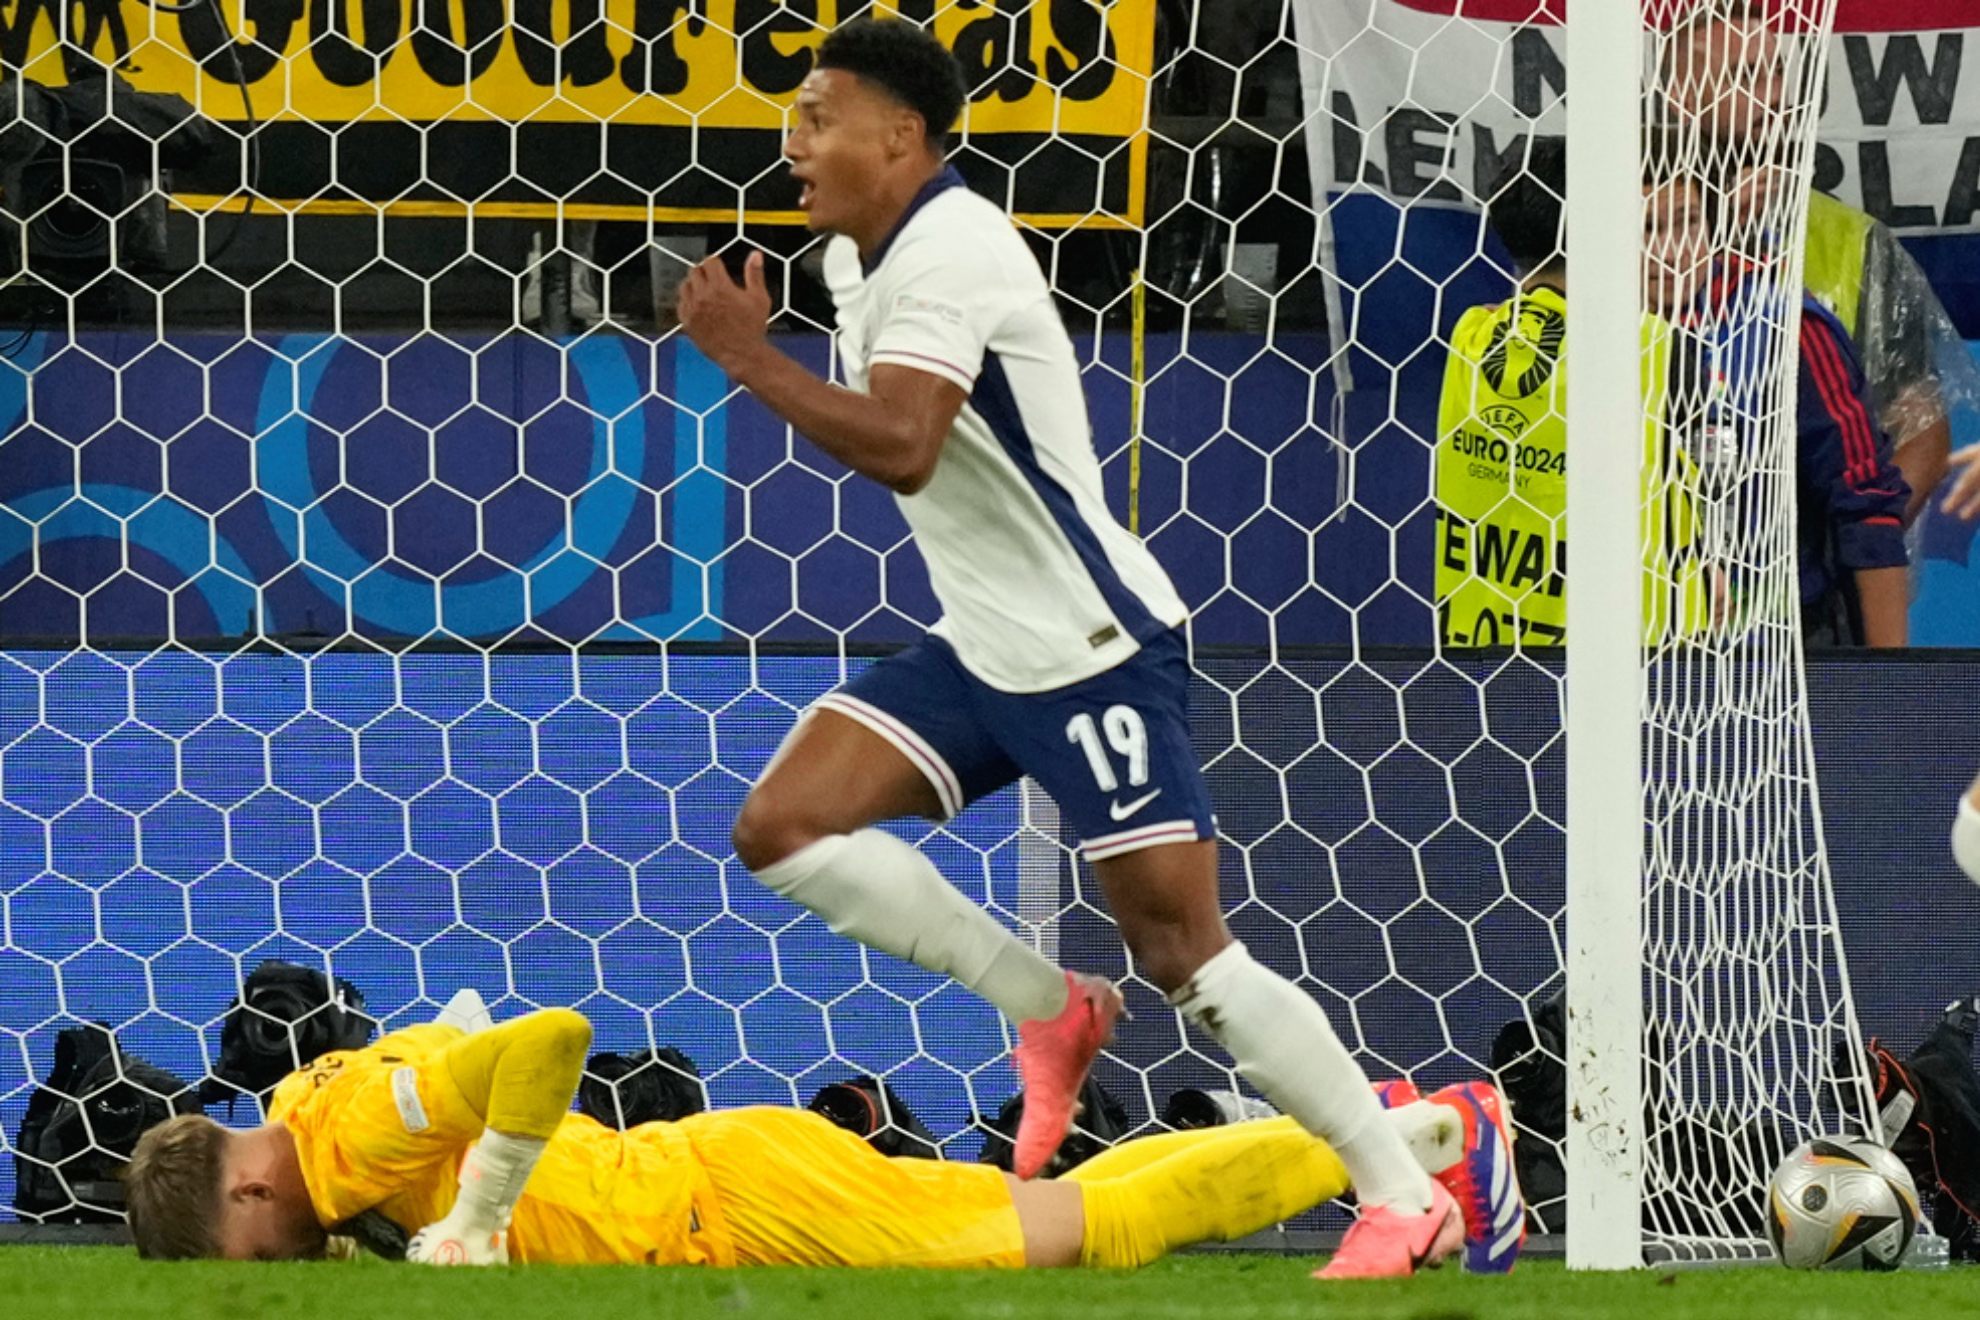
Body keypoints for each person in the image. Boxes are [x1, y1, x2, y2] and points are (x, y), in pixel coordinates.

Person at [673, 16, 1508, 1278]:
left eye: (816, 113)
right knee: (782, 827)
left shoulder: (950, 247)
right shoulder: (860, 258)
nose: (792, 139)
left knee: (1186, 957)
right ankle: (1049, 1009)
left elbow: (903, 442)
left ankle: (1408, 1189)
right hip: (986, 647)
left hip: (1088, 647)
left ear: (901, 136)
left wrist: (745, 358)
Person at [118, 998, 1521, 1272]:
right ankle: (1395, 1128)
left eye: (253, 1266)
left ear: (244, 1201)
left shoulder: (347, 1125)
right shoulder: (318, 1123)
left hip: (736, 1212)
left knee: (1090, 1234)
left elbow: (544, 1041)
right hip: (728, 1181)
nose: (280, 1278)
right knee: (1077, 1210)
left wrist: (482, 1216)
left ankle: (1444, 1138)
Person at [1663, 0, 1968, 524]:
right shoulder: (1609, 224)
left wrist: (1854, 551)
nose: (1774, 98)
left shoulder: (1854, 241)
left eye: (1777, 73)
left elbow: (1921, 431)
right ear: (1679, 97)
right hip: (1644, 562)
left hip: (1803, 583)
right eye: (1745, 77)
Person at [1434, 136, 1716, 650]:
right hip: (1638, 663)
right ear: (1610, 227)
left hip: (1480, 652)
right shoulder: (1652, 348)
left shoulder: (1469, 339)